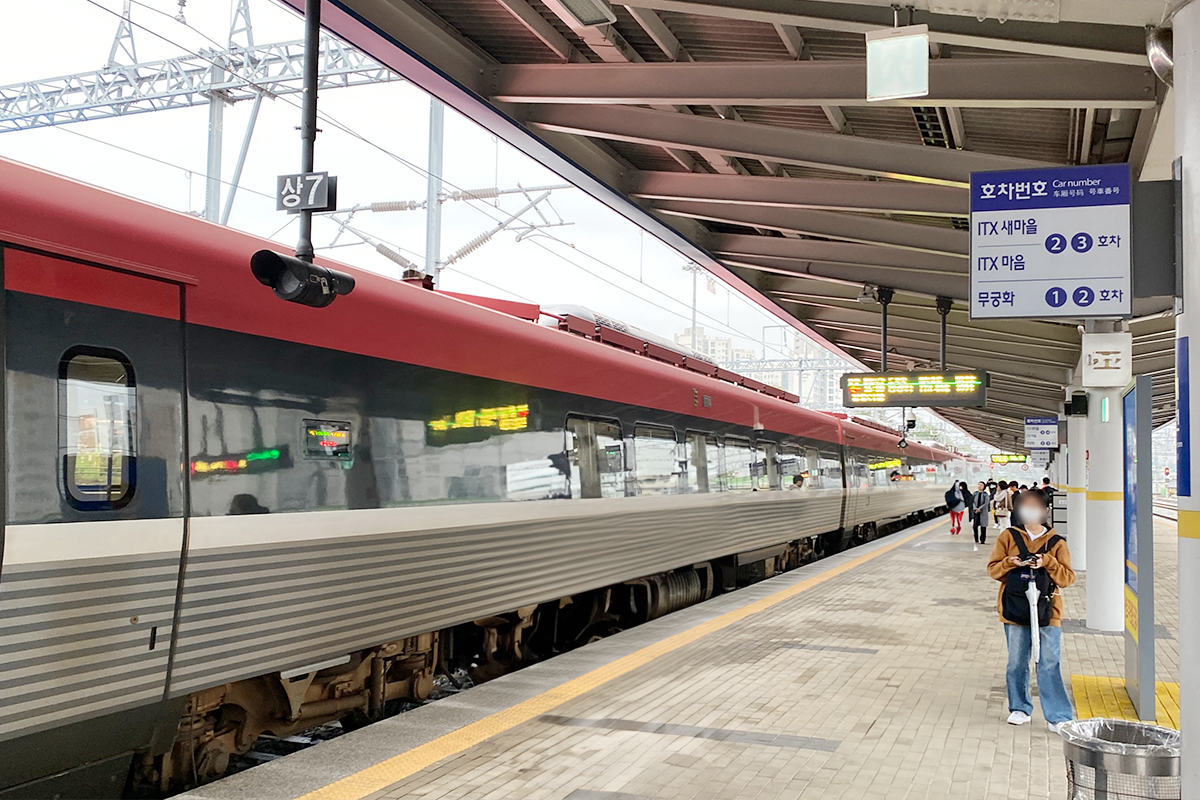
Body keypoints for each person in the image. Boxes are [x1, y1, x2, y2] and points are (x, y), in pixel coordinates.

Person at [986, 490, 1075, 732]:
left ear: (1046, 510)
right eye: (1024, 506)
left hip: (1048, 612)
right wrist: (1010, 562)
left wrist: (1048, 562)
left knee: (1048, 662)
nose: (1030, 510)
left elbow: (1067, 579)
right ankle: (1019, 707)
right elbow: (993, 570)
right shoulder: (1008, 537)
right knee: (1016, 662)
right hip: (1015, 610)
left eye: (1035, 506)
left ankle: (1058, 715)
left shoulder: (1057, 542)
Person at [971, 481, 990, 551]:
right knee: (975, 526)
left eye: (981, 485)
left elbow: (986, 503)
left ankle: (982, 540)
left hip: (983, 512)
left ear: (984, 487)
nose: (979, 486)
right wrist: (975, 508)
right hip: (976, 512)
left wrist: (980, 508)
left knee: (983, 526)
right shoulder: (975, 494)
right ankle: (976, 539)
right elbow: (972, 502)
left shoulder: (985, 494)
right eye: (978, 485)